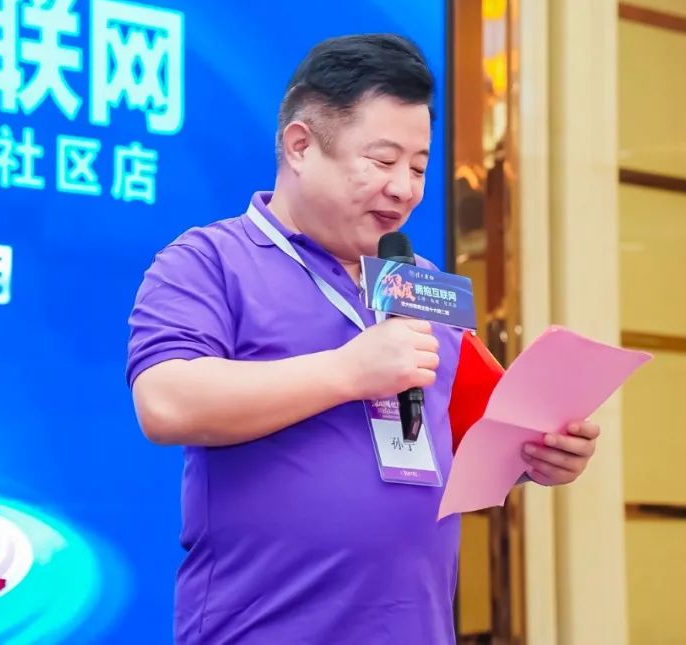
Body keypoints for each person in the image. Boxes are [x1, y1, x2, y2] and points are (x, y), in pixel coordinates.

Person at [125, 34, 601, 644]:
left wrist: (539, 456)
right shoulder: (208, 260)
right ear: (301, 145)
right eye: (382, 161)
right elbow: (165, 402)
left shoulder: (420, 282)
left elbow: (466, 439)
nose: (405, 189)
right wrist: (348, 372)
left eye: (419, 167)